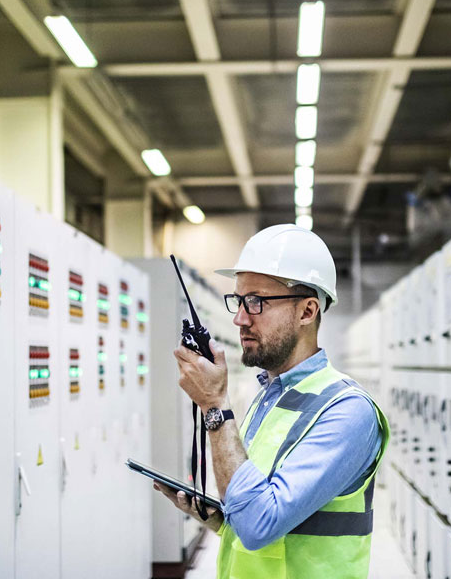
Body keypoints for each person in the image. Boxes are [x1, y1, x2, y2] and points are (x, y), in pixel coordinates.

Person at [155, 224, 389, 579]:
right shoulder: (270, 397)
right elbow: (259, 518)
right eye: (238, 300)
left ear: (307, 311)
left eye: (256, 302)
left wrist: (215, 405)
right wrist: (222, 518)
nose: (239, 318)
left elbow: (259, 526)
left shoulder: (347, 411)